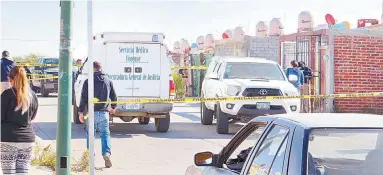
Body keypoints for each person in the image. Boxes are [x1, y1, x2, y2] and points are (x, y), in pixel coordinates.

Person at [78, 61, 117, 168]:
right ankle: (106, 154)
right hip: (104, 113)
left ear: (93, 69)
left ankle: (90, 158)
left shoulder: (88, 81)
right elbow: (113, 95)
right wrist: (113, 107)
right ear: (101, 68)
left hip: (91, 113)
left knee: (90, 135)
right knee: (105, 134)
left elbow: (83, 98)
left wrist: (80, 112)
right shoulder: (108, 81)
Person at [1, 66, 39, 174]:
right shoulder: (33, 95)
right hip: (28, 139)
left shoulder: (7, 94)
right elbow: (32, 117)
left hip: (8, 139)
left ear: (10, 79)